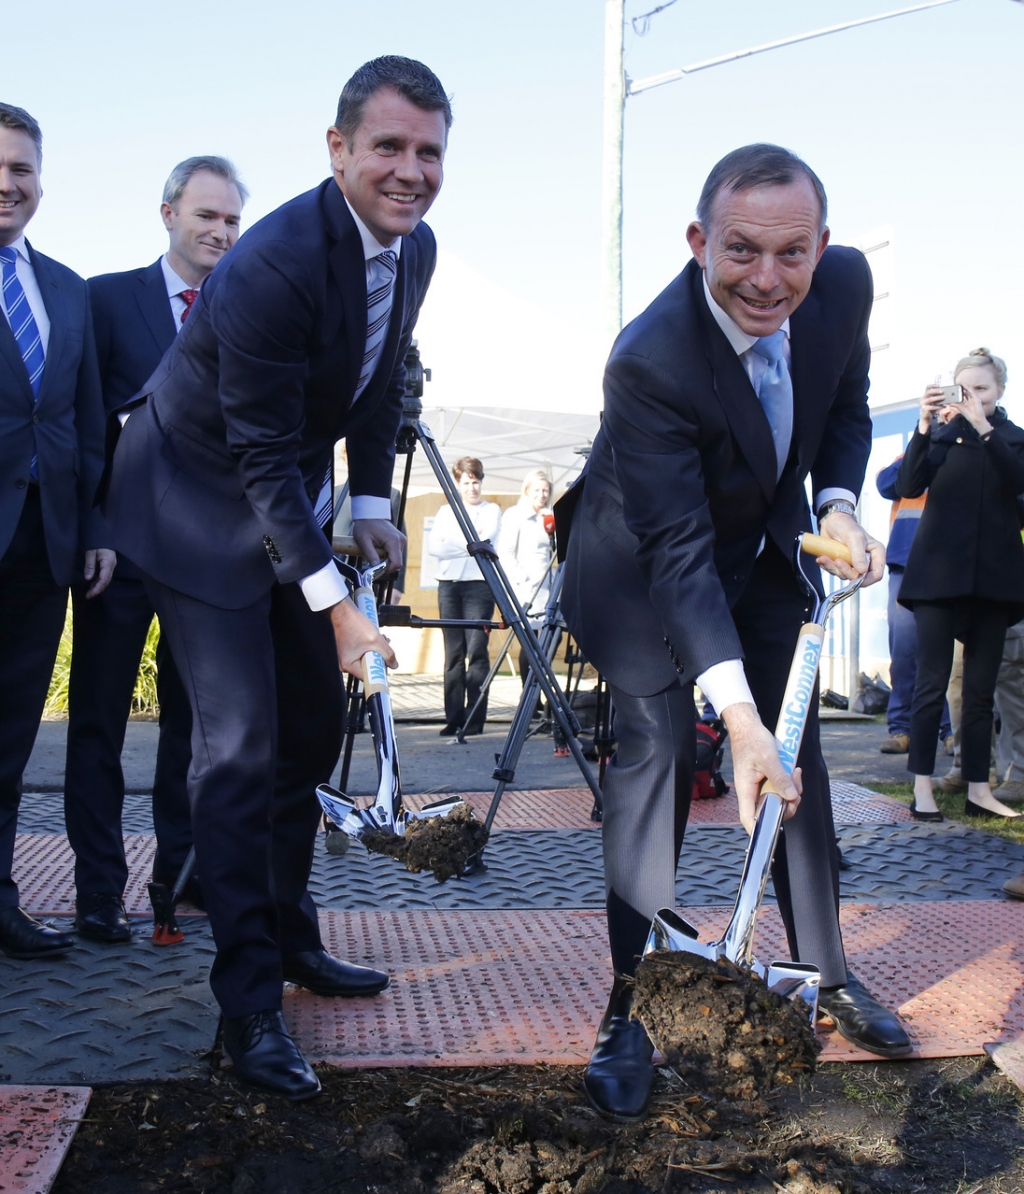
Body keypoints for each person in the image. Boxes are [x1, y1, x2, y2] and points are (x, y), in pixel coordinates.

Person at [103, 56, 451, 1099]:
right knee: (242, 747)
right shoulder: (272, 262)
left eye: (428, 151)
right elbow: (254, 454)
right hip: (193, 506)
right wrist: (338, 607)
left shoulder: (413, 246)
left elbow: (385, 376)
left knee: (307, 730)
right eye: (387, 147)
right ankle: (247, 1004)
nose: (410, 171)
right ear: (337, 149)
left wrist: (377, 508)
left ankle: (294, 936)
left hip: (280, 496)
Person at [557, 143, 910, 1122]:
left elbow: (840, 401)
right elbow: (676, 555)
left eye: (790, 254)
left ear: (822, 246)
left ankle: (824, 971)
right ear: (698, 241)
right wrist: (735, 718)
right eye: (741, 251)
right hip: (635, 561)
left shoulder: (840, 285)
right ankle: (631, 1008)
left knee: (794, 755)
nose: (767, 278)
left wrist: (838, 503)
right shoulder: (651, 356)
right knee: (664, 749)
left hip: (761, 542)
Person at [64, 157, 248, 943]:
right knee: (98, 728)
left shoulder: (246, 306)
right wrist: (96, 530)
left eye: (233, 220)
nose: (220, 232)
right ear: (168, 213)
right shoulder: (105, 300)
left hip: (208, 562)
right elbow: (79, 423)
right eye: (206, 215)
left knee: (192, 734)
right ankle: (98, 894)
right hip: (119, 556)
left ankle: (174, 885)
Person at [0, 104, 114, 959]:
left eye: (21, 168)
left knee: (10, 735)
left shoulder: (68, 289)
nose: (8, 183)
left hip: (44, 545)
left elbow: (85, 423)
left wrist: (95, 526)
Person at [896, 348, 1024, 822]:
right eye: (965, 390)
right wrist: (925, 425)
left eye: (983, 390)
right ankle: (922, 788)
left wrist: (985, 429)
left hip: (994, 581)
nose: (973, 399)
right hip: (936, 578)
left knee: (979, 692)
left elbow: (1017, 483)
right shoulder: (941, 437)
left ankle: (978, 788)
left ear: (1000, 392)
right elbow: (909, 484)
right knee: (930, 686)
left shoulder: (1013, 439)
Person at [875, 453, 951, 755]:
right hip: (905, 562)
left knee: (946, 655)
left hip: (949, 564)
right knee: (904, 652)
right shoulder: (913, 452)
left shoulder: (968, 448)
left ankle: (949, 730)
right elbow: (886, 484)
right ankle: (901, 728)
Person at [427, 456, 501, 736]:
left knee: (477, 651)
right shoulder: (447, 512)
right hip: (448, 584)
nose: (472, 487)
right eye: (467, 482)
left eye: (476, 482)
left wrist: (456, 542)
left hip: (479, 586)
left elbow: (488, 540)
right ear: (458, 484)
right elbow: (435, 547)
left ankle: (475, 719)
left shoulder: (491, 510)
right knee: (453, 654)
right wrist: (470, 543)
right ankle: (454, 717)